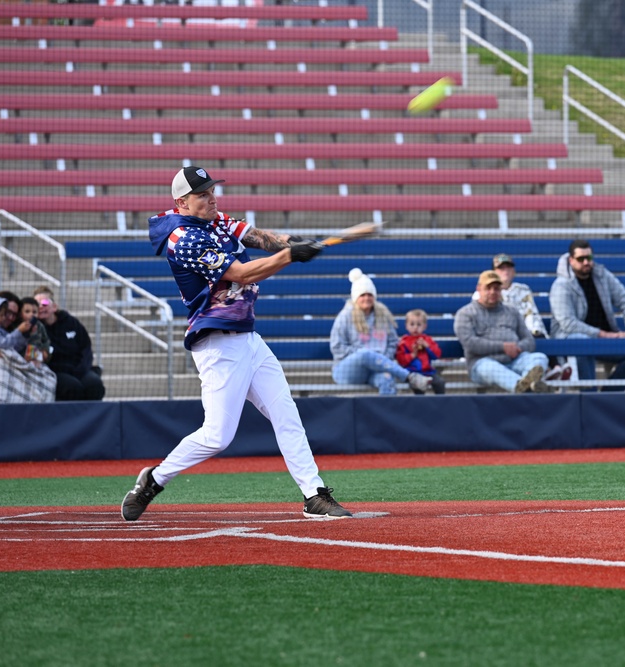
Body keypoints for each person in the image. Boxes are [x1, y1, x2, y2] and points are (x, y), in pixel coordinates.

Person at [121, 165, 351, 522]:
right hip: (217, 343)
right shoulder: (183, 239)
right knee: (217, 437)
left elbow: (256, 236)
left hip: (248, 337)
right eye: (202, 194)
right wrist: (290, 256)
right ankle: (154, 479)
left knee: (286, 414)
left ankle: (314, 494)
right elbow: (242, 273)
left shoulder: (216, 220)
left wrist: (292, 242)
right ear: (182, 202)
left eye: (212, 191)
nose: (212, 198)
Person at [548, 239, 625, 391]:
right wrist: (605, 335)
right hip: (570, 339)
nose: (586, 262)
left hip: (605, 340)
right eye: (581, 259)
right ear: (571, 260)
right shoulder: (561, 286)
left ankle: (608, 396)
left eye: (589, 258)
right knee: (583, 342)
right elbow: (568, 324)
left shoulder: (602, 275)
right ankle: (590, 397)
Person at [331, 269, 432, 395]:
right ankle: (410, 377)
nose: (366, 298)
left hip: (376, 369)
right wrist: (367, 355)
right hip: (347, 371)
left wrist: (380, 358)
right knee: (365, 354)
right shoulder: (345, 316)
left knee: (387, 379)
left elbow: (393, 342)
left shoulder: (383, 315)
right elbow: (337, 347)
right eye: (362, 295)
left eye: (370, 295)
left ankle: (387, 414)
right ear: (355, 297)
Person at [454, 270, 553, 394]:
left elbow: (529, 341)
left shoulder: (512, 311)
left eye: (496, 288)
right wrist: (503, 347)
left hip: (514, 360)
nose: (492, 292)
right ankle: (524, 387)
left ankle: (528, 384)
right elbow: (470, 343)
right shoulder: (466, 313)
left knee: (540, 358)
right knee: (491, 369)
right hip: (482, 363)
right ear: (478, 289)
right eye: (488, 288)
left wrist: (516, 348)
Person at [489, 252, 572, 381]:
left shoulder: (523, 289)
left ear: (514, 270)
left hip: (526, 333)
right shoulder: (487, 293)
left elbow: (531, 314)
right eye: (501, 268)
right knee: (532, 340)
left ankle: (553, 369)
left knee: (537, 334)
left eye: (509, 267)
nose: (505, 271)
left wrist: (532, 332)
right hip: (503, 337)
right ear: (493, 272)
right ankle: (551, 369)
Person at [32, 286, 106, 401]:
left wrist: (83, 368)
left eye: (45, 303)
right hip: (55, 372)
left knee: (94, 384)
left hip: (79, 369)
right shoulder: (34, 328)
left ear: (54, 307)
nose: (41, 306)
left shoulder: (71, 323)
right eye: (37, 304)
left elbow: (85, 348)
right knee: (72, 388)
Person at [395, 308, 446, 395]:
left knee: (440, 382)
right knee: (418, 387)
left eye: (419, 325)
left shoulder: (427, 340)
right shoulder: (404, 342)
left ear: (424, 326)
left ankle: (441, 403)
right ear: (406, 326)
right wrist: (412, 355)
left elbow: (436, 354)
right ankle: (420, 406)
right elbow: (401, 360)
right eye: (412, 324)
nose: (415, 327)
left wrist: (427, 347)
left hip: (428, 371)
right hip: (412, 373)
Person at [19, 296, 51, 364]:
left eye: (34, 312)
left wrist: (45, 350)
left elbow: (45, 340)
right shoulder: (19, 326)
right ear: (20, 313)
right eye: (27, 311)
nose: (31, 314)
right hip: (21, 358)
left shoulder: (39, 325)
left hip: (37, 356)